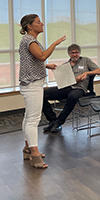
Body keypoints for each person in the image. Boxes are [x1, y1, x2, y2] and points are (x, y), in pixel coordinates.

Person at [18, 14, 66, 169]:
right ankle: (35, 153)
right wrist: (55, 43)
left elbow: (29, 61)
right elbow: (42, 56)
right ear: (30, 26)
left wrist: (46, 66)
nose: (42, 24)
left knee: (28, 118)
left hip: (31, 83)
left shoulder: (29, 40)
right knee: (33, 119)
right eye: (38, 22)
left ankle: (27, 148)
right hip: (32, 85)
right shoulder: (29, 40)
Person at [42, 44, 100, 133]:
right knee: (42, 94)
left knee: (73, 96)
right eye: (72, 53)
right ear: (69, 54)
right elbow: (62, 81)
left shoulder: (86, 60)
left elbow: (99, 71)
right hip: (66, 87)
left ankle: (59, 122)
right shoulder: (65, 65)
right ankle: (52, 120)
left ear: (80, 52)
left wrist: (86, 73)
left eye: (76, 52)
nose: (74, 54)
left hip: (80, 88)